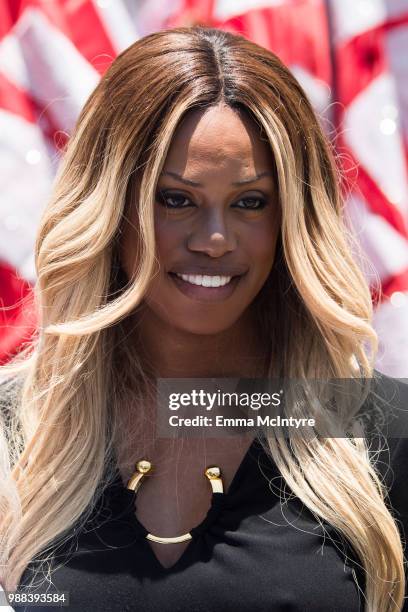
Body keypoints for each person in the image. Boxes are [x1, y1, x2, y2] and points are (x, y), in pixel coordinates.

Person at [0, 25, 407, 612]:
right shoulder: (15, 433)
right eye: (175, 199)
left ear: (291, 218)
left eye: (250, 202)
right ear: (110, 206)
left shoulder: (384, 432)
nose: (215, 239)